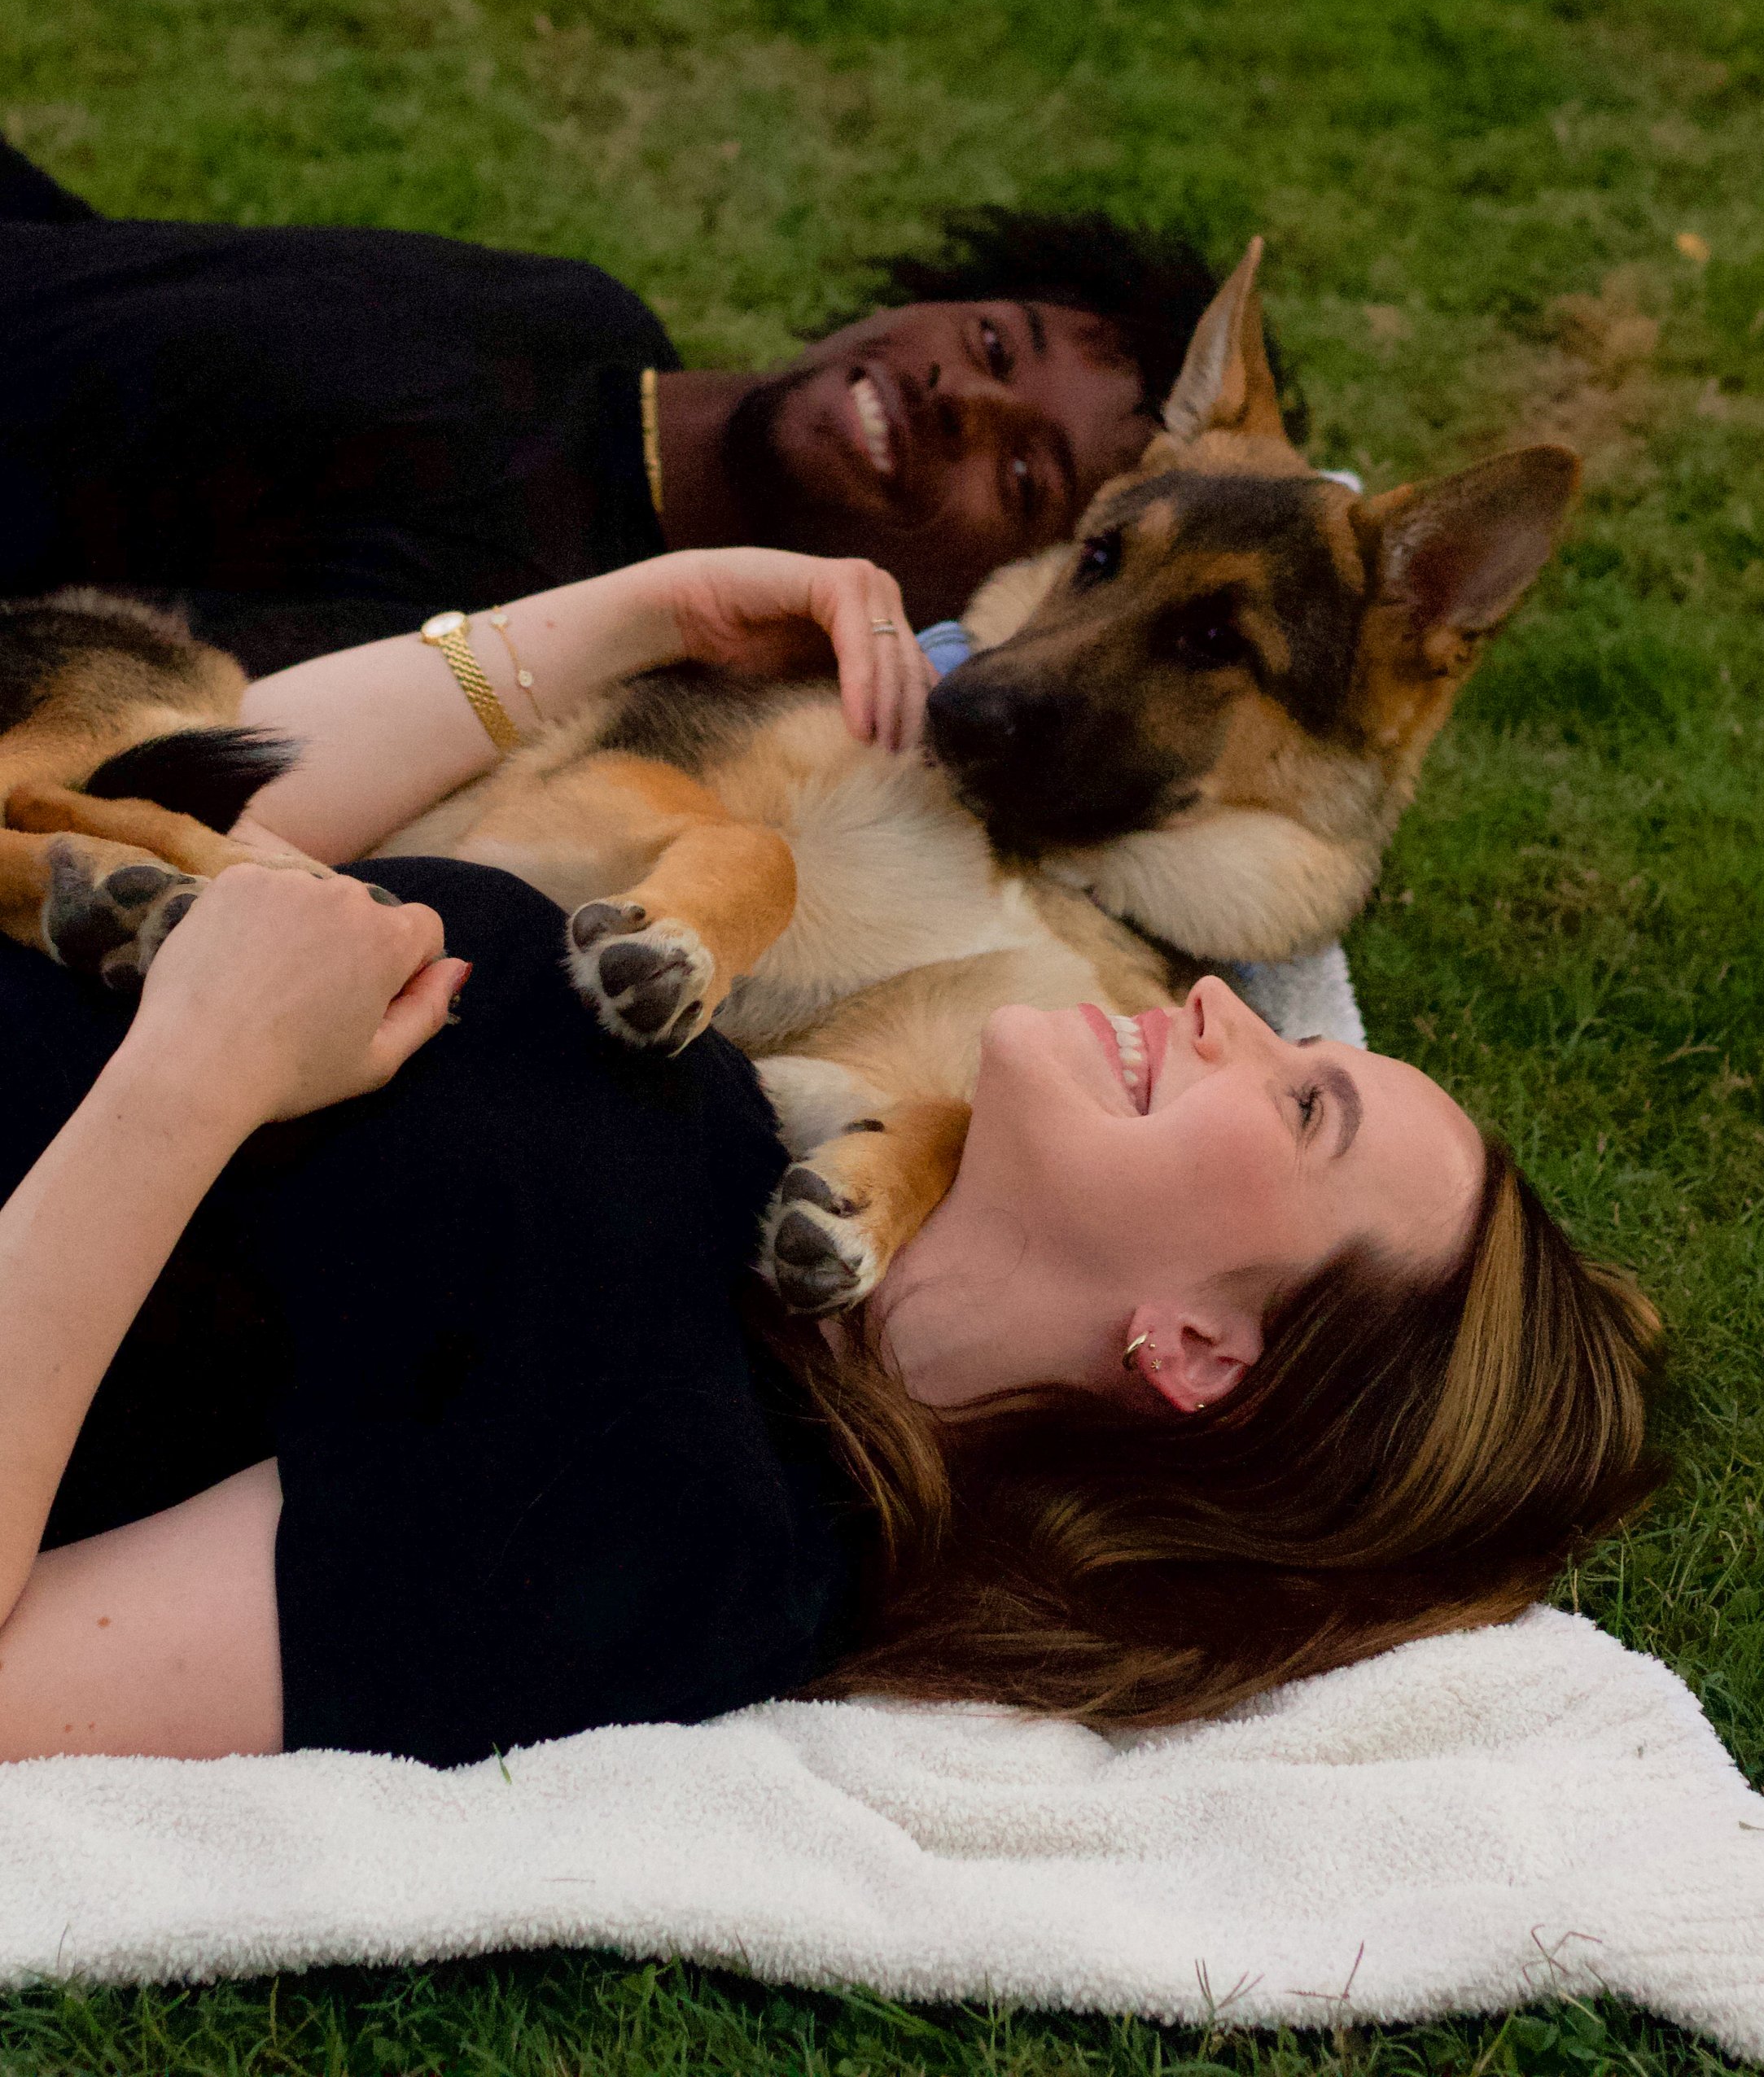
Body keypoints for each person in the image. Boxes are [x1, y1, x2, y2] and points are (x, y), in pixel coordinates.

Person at [0, 548, 1661, 1764]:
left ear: (1197, 1355)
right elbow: (156, 790)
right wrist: (632, 618)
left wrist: (192, 1079)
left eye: (1303, 1103)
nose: (1233, 1011)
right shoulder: (733, 1138)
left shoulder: (689, 1540)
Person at [0, 137, 1241, 666]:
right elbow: (132, 286)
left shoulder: (520, 623)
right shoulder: (588, 321)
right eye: (992, 340)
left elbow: (80, 661)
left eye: (1024, 477)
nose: (961, 396)